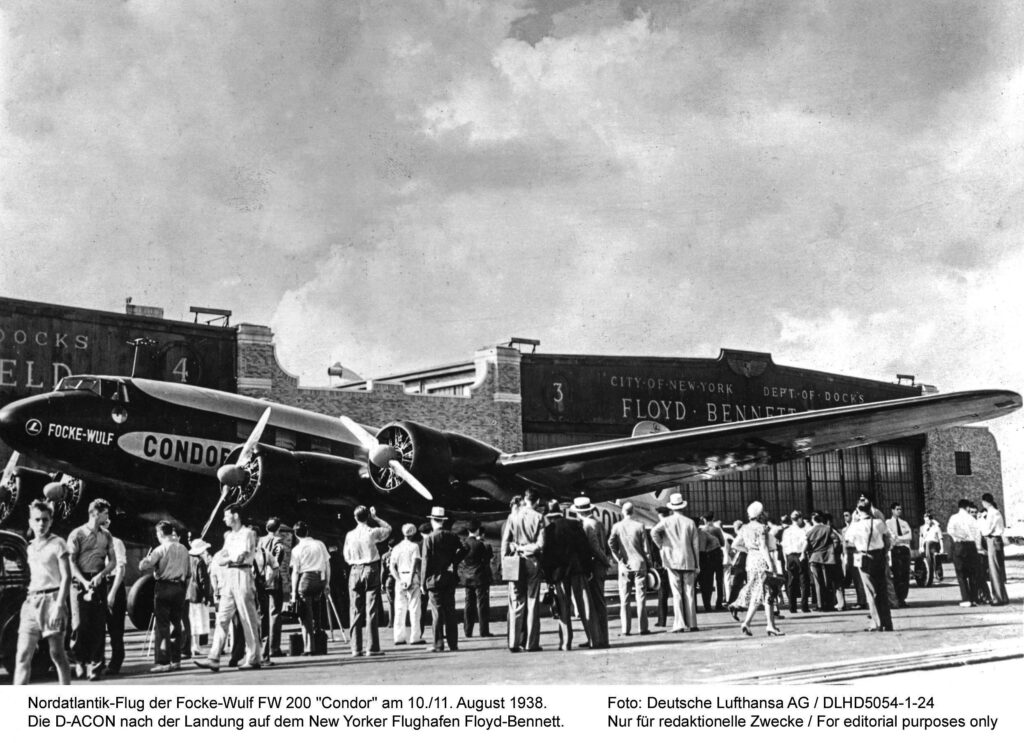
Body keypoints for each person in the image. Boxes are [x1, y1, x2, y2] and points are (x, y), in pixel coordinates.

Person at [195, 503, 262, 671]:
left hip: (242, 574)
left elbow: (241, 556)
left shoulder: (248, 533)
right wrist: (227, 558)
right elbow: (221, 557)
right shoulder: (230, 536)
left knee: (248, 618)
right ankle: (214, 657)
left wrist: (227, 559)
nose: (224, 518)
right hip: (229, 577)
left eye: (227, 515)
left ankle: (253, 657)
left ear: (236, 516)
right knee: (222, 618)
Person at [14, 499, 72, 685]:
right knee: (22, 655)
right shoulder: (29, 547)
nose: (41, 523)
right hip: (31, 602)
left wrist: (59, 606)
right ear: (30, 521)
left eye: (45, 520)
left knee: (56, 654)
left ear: (51, 521)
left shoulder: (58, 543)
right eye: (37, 519)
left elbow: (66, 577)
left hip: (53, 600)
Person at [67, 498, 117, 681]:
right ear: (95, 513)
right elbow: (71, 561)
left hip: (98, 580)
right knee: (79, 624)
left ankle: (96, 664)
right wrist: (83, 581)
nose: (107, 516)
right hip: (79, 583)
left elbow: (113, 561)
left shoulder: (107, 535)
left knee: (98, 624)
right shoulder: (77, 534)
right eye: (105, 513)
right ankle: (80, 660)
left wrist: (101, 575)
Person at [538, 500, 592, 650]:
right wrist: (587, 570)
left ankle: (566, 643)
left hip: (559, 574)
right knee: (584, 606)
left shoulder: (548, 531)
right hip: (577, 570)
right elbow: (584, 549)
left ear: (549, 515)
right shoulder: (575, 524)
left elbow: (546, 557)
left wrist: (548, 578)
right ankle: (592, 638)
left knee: (563, 608)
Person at [139, 520, 190, 672]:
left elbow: (144, 565)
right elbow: (188, 574)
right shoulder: (184, 549)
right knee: (176, 624)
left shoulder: (160, 549)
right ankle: (176, 660)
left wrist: (146, 560)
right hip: (179, 588)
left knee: (162, 626)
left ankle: (163, 661)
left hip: (164, 587)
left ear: (161, 533)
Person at [727, 501, 784, 637]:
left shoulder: (744, 528)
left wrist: (748, 549)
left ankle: (749, 623)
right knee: (768, 593)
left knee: (758, 593)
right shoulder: (762, 528)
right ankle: (770, 626)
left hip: (750, 561)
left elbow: (735, 544)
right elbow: (763, 547)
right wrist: (771, 565)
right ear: (760, 514)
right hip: (761, 561)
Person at [343, 505, 391, 657]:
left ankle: (355, 648)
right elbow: (388, 529)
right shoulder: (372, 532)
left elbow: (346, 555)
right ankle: (372, 647)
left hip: (355, 569)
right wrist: (375, 518)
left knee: (355, 609)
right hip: (371, 568)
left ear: (355, 517)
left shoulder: (349, 535)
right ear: (367, 517)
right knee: (371, 610)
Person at [502, 489, 545, 652]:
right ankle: (531, 643)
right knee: (532, 602)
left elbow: (505, 542)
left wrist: (507, 560)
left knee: (516, 602)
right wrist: (526, 548)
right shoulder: (539, 517)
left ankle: (513, 643)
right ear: (537, 501)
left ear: (525, 499)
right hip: (532, 562)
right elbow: (540, 545)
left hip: (514, 561)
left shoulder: (512, 516)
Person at [649, 493, 699, 632]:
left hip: (671, 560)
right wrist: (697, 564)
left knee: (676, 593)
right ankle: (692, 623)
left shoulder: (666, 522)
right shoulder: (690, 522)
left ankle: (679, 624)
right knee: (689, 592)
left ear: (671, 508)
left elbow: (653, 532)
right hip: (688, 559)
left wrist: (662, 546)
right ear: (683, 505)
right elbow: (695, 545)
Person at [422, 506, 468, 652]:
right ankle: (453, 644)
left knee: (437, 612)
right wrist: (454, 561)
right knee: (450, 611)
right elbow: (464, 548)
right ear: (443, 521)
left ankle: (438, 644)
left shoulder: (429, 539)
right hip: (449, 577)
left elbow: (425, 561)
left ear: (432, 520)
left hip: (434, 578)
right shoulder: (452, 536)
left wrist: (423, 582)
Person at [609, 501, 653, 636]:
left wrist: (619, 560)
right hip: (639, 565)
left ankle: (625, 629)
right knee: (641, 597)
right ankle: (642, 628)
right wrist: (650, 563)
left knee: (625, 598)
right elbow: (646, 550)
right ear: (633, 512)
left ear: (623, 512)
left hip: (625, 567)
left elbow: (611, 544)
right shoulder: (640, 526)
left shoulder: (616, 527)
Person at [848, 504, 893, 631]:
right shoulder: (878, 522)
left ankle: (877, 623)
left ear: (857, 511)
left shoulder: (855, 526)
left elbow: (849, 539)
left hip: (864, 557)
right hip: (879, 556)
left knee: (870, 591)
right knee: (882, 589)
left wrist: (853, 520)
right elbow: (888, 535)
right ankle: (887, 622)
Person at [573, 496, 610, 649]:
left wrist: (604, 561)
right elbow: (605, 545)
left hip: (595, 565)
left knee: (596, 604)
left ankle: (599, 639)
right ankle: (600, 638)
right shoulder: (598, 523)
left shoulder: (587, 525)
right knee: (598, 602)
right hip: (600, 565)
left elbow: (594, 548)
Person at [289, 520, 330, 654]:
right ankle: (320, 642)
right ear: (308, 531)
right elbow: (327, 565)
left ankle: (309, 647)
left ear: (296, 534)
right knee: (316, 610)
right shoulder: (320, 544)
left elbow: (295, 572)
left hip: (305, 580)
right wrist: (327, 583)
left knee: (305, 615)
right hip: (320, 579)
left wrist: (294, 593)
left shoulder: (296, 550)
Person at [258, 517, 290, 658]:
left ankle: (262, 647)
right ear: (278, 529)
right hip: (273, 579)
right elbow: (279, 558)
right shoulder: (278, 542)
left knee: (263, 613)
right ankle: (274, 648)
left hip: (260, 578)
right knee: (275, 613)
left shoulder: (260, 541)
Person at [390, 524, 424, 645]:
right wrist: (410, 579)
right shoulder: (414, 546)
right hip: (411, 576)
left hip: (400, 577)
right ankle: (415, 637)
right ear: (414, 533)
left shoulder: (396, 547)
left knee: (399, 609)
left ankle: (399, 637)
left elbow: (392, 567)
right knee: (414, 609)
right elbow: (415, 562)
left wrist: (399, 580)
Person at [459, 520, 493, 638]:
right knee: (482, 604)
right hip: (480, 576)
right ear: (478, 530)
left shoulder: (464, 543)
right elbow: (487, 559)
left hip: (467, 577)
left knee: (469, 604)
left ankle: (468, 630)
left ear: (468, 530)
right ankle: (484, 630)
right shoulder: (481, 544)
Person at [947, 499, 982, 607]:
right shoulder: (972, 519)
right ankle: (974, 598)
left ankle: (966, 599)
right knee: (972, 574)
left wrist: (959, 536)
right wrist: (978, 546)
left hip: (960, 546)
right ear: (967, 508)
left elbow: (950, 530)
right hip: (971, 546)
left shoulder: (954, 518)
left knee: (961, 574)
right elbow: (977, 534)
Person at [104, 526, 127, 675]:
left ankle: (116, 661)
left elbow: (121, 569)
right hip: (100, 582)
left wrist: (112, 593)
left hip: (114, 583)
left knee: (115, 628)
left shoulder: (116, 542)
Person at [186, 538, 214, 657]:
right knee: (199, 621)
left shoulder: (188, 559)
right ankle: (196, 646)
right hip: (199, 594)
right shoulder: (200, 562)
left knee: (192, 621)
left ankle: (194, 645)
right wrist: (207, 596)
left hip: (189, 593)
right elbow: (203, 581)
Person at [803, 512, 836, 612]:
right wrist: (832, 550)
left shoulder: (809, 531)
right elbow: (836, 540)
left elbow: (806, 544)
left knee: (817, 583)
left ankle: (820, 605)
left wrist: (804, 553)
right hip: (827, 557)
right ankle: (829, 604)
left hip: (814, 558)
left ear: (813, 520)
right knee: (827, 582)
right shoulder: (828, 528)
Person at [980, 494, 1008, 606]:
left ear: (985, 502)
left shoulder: (991, 513)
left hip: (992, 540)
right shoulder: (996, 512)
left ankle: (998, 598)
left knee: (994, 571)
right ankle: (1003, 596)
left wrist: (981, 519)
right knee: (998, 569)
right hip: (997, 540)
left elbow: (986, 531)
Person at [782, 510, 810, 614]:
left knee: (791, 582)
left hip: (789, 556)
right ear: (799, 519)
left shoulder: (786, 531)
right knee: (803, 581)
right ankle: (804, 606)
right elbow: (805, 542)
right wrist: (803, 553)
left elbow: (784, 547)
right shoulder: (801, 530)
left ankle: (792, 607)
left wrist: (785, 561)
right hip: (799, 555)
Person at [886, 503, 912, 608]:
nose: (899, 511)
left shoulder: (904, 523)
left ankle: (903, 598)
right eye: (897, 509)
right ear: (892, 510)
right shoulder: (888, 522)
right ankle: (897, 598)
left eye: (900, 509)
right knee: (898, 574)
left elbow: (909, 536)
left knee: (905, 575)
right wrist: (901, 537)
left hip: (905, 549)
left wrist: (899, 538)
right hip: (895, 550)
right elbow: (891, 537)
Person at [700, 513, 727, 611]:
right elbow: (723, 543)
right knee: (719, 580)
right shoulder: (716, 529)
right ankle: (718, 603)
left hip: (706, 557)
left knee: (708, 581)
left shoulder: (702, 530)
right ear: (713, 519)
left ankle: (707, 604)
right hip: (717, 556)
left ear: (704, 520)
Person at [726, 519, 748, 605]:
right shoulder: (744, 533)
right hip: (744, 559)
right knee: (746, 581)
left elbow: (734, 545)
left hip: (741, 560)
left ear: (736, 528)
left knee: (737, 582)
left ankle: (732, 601)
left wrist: (746, 550)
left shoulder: (740, 534)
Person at [921, 513, 944, 586]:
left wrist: (942, 548)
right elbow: (921, 538)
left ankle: (939, 573)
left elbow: (940, 539)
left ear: (931, 520)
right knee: (927, 543)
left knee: (936, 558)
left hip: (934, 545)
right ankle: (930, 568)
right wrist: (920, 547)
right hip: (926, 545)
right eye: (925, 520)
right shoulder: (923, 528)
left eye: (928, 520)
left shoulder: (936, 527)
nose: (926, 522)